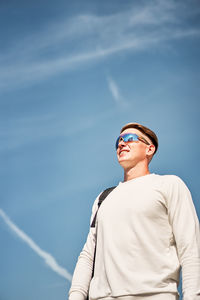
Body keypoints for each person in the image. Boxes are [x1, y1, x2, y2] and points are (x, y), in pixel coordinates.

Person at [68, 122, 200, 300]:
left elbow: (190, 248)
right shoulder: (103, 198)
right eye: (118, 141)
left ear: (149, 149)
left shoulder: (169, 185)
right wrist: (76, 295)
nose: (121, 144)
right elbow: (88, 255)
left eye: (129, 139)